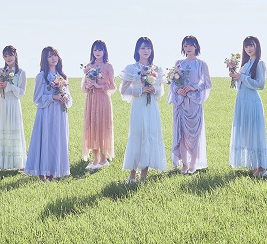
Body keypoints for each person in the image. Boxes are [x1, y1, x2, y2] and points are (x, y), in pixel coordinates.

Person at [120, 37, 167, 184]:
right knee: (137, 136)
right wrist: (141, 90)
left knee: (150, 136)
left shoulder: (157, 69)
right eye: (143, 48)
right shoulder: (131, 68)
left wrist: (154, 90)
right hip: (139, 106)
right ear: (137, 50)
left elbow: (161, 91)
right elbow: (124, 90)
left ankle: (144, 176)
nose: (146, 51)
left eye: (148, 48)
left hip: (152, 106)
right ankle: (132, 175)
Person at [25, 46, 72, 181]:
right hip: (46, 113)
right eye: (50, 56)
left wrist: (65, 98)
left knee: (56, 140)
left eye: (55, 55)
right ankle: (42, 173)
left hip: (59, 114)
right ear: (45, 59)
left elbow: (69, 96)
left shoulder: (62, 76)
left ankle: (53, 172)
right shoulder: (41, 76)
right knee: (45, 140)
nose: (53, 58)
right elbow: (37, 99)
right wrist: (53, 97)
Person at [167, 35, 212, 174]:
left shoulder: (201, 64)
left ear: (196, 46)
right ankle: (184, 165)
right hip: (180, 103)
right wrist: (177, 89)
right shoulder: (178, 63)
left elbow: (207, 84)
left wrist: (194, 87)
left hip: (194, 103)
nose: (188, 48)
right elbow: (172, 83)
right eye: (185, 46)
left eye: (191, 45)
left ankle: (193, 164)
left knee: (194, 135)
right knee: (181, 134)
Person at [229, 36, 267, 177]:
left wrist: (242, 77)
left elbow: (260, 84)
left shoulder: (260, 64)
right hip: (242, 102)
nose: (249, 49)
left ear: (257, 46)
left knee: (254, 134)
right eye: (246, 46)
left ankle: (261, 167)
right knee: (246, 134)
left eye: (251, 45)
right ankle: (253, 165)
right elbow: (239, 86)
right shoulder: (245, 65)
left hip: (252, 102)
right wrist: (235, 77)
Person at [0, 45, 27, 172]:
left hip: (13, 104)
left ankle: (19, 163)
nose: (8, 58)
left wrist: (9, 86)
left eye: (10, 55)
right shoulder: (0, 71)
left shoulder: (21, 72)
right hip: (0, 104)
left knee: (14, 130)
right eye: (5, 56)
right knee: (0, 130)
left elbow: (21, 93)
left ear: (15, 55)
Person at [81, 40, 116, 170]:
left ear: (104, 51)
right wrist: (88, 86)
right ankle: (95, 159)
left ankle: (103, 159)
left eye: (100, 50)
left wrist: (99, 85)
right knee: (92, 128)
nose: (97, 52)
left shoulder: (108, 66)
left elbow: (113, 86)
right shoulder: (89, 66)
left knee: (102, 128)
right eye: (95, 50)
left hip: (103, 99)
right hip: (91, 99)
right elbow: (83, 86)